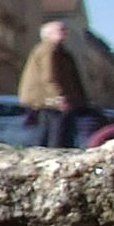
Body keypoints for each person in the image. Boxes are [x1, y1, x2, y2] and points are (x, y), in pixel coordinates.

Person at [16, 20, 88, 148]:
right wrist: (59, 97)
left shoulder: (59, 51)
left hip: (50, 100)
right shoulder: (48, 50)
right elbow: (49, 76)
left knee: (50, 133)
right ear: (48, 34)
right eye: (60, 30)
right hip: (49, 100)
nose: (65, 33)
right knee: (57, 135)